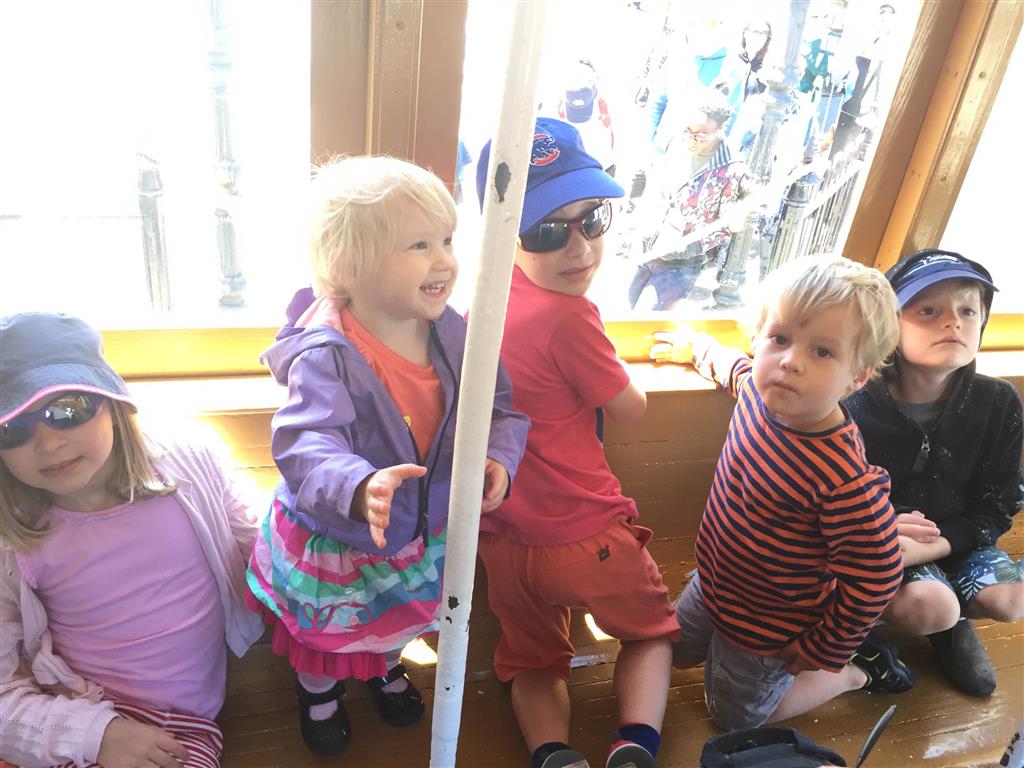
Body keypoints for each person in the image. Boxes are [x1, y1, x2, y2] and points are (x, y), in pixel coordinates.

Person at [245, 156, 529, 757]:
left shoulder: (453, 333)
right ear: (350, 266)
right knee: (330, 634)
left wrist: (498, 456)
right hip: (345, 533)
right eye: (419, 245)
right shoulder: (326, 353)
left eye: (447, 240)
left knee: (398, 614)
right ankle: (319, 691)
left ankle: (385, 665)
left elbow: (497, 408)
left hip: (419, 526)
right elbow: (306, 441)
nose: (444, 260)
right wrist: (357, 485)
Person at [475, 118, 678, 768]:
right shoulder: (570, 315)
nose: (579, 247)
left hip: (505, 542)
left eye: (592, 219)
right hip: (588, 538)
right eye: (547, 232)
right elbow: (629, 408)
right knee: (651, 635)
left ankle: (552, 753)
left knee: (533, 661)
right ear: (505, 235)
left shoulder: (479, 306)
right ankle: (635, 743)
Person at [650, 255, 914, 730]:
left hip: (770, 626)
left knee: (735, 720)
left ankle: (850, 674)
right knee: (670, 651)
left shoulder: (843, 478)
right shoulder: (758, 392)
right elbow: (735, 368)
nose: (790, 361)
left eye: (822, 352)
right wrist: (695, 347)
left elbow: (877, 574)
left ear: (857, 376)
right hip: (713, 582)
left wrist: (824, 649)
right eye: (780, 339)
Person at [0, 312, 263, 768]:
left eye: (67, 410)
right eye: (12, 428)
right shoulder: (12, 542)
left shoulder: (192, 460)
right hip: (76, 716)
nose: (48, 444)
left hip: (184, 727)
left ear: (112, 401)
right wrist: (95, 735)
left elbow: (264, 548)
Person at [846, 249, 1024, 697]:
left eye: (968, 311)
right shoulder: (852, 403)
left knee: (1010, 601)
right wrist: (883, 531)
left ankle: (955, 618)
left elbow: (998, 503)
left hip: (959, 536)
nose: (953, 323)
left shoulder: (998, 402)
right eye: (928, 311)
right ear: (889, 326)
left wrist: (945, 543)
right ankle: (915, 621)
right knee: (929, 606)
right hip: (887, 542)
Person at [628, 85, 746, 310]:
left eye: (700, 135)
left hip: (677, 266)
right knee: (625, 314)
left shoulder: (731, 169)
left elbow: (726, 224)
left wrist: (690, 247)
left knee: (642, 320)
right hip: (646, 248)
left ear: (720, 128)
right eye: (688, 131)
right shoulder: (677, 143)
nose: (692, 139)